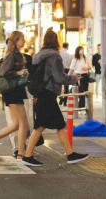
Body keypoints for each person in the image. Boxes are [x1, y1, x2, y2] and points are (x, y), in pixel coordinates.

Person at [22, 29, 89, 166]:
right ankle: (28, 156)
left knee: (51, 125)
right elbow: (59, 78)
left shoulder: (38, 55)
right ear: (55, 41)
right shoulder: (55, 56)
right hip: (48, 94)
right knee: (45, 126)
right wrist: (73, 78)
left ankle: (69, 154)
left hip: (41, 94)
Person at [0, 31, 29, 160]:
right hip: (12, 91)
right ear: (16, 41)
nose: (24, 41)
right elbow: (3, 73)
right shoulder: (13, 55)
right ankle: (21, 154)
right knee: (23, 123)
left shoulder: (15, 54)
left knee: (16, 124)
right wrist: (19, 73)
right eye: (22, 39)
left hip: (14, 91)